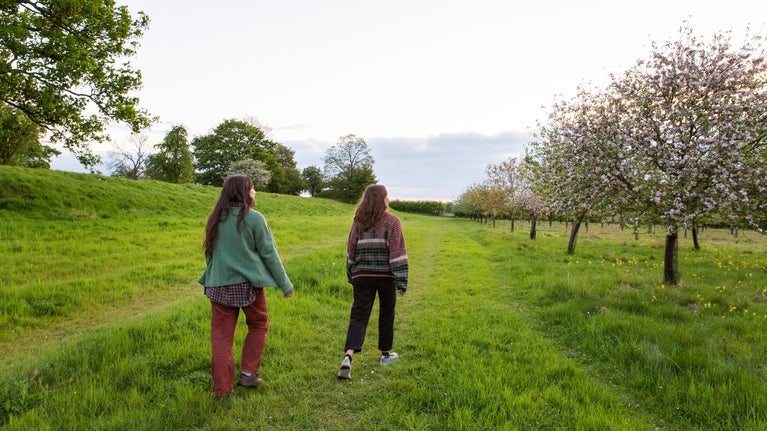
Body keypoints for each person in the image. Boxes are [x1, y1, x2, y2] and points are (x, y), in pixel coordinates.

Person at [198, 174, 294, 399]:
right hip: (248, 286)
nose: (255, 193)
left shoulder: (215, 218)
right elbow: (269, 254)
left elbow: (209, 255)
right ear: (244, 192)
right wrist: (285, 285)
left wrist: (213, 276)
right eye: (252, 189)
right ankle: (248, 374)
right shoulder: (254, 218)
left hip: (218, 286)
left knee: (221, 338)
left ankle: (222, 390)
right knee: (259, 324)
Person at [338, 184, 408, 380]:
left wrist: (351, 273)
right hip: (386, 277)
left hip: (362, 275)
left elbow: (351, 250)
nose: (389, 199)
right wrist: (401, 280)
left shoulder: (358, 221)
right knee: (386, 314)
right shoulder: (393, 222)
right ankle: (385, 354)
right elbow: (397, 253)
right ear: (382, 199)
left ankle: (348, 356)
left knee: (358, 316)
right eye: (387, 196)